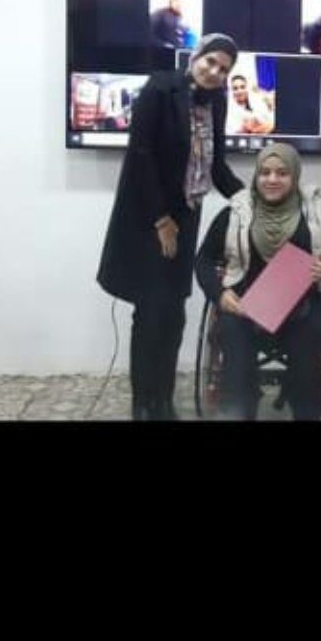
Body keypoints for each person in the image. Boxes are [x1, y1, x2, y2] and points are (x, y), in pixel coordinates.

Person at [97, 35, 242, 420]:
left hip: (187, 216)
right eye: (211, 62)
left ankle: (163, 399)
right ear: (196, 57)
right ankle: (143, 404)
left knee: (173, 314)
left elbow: (216, 166)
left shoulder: (218, 102)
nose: (215, 72)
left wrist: (251, 200)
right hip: (149, 217)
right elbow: (141, 157)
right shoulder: (160, 89)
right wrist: (161, 220)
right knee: (150, 312)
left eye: (224, 69)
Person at [195, 142, 321, 422]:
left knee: (313, 336)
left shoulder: (318, 209)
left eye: (282, 173)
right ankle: (240, 411)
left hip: (304, 305)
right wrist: (219, 294)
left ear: (295, 176)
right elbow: (204, 260)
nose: (272, 179)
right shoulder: (236, 211)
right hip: (246, 306)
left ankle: (306, 411)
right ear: (256, 175)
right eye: (265, 172)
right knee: (232, 336)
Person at [226, 71, 275, 136]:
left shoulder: (256, 103)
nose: (239, 91)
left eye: (242, 87)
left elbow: (270, 123)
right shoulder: (229, 110)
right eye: (235, 88)